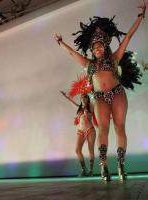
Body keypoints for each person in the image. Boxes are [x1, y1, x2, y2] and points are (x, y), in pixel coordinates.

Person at [54, 1, 145, 181]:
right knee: (103, 130)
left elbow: (128, 37)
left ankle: (121, 165)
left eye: (100, 46)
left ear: (105, 46)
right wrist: (60, 43)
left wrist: (141, 15)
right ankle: (104, 167)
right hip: (100, 98)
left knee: (120, 128)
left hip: (118, 93)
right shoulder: (89, 65)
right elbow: (73, 53)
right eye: (94, 47)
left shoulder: (114, 58)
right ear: (92, 50)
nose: (97, 49)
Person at [61, 90, 97, 176]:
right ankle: (84, 169)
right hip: (80, 130)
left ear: (87, 99)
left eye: (85, 98)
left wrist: (92, 93)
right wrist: (65, 96)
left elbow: (94, 100)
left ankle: (91, 170)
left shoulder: (91, 107)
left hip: (90, 130)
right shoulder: (79, 108)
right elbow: (72, 102)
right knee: (77, 150)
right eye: (82, 98)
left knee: (90, 150)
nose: (83, 99)